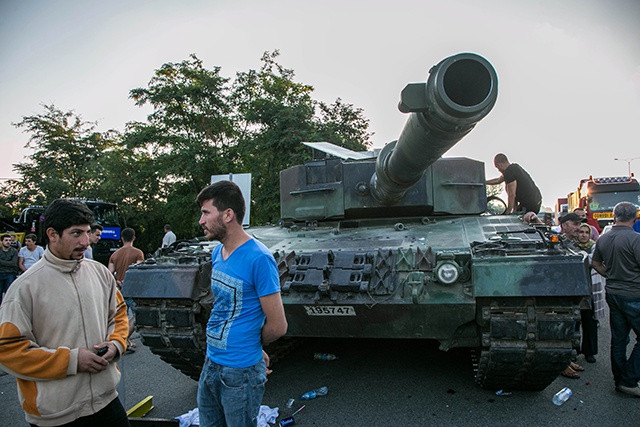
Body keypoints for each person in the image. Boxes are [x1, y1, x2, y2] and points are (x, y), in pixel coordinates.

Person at [0, 199, 130, 426]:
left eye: (87, 233)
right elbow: (7, 350)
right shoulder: (24, 288)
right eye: (76, 233)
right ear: (52, 234)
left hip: (107, 403)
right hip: (56, 415)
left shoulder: (100, 273)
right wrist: (71, 360)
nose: (84, 242)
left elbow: (118, 314)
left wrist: (116, 344)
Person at [196, 180, 288, 427]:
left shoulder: (259, 258)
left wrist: (252, 349)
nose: (201, 221)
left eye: (206, 213)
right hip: (211, 363)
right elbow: (226, 306)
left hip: (241, 373)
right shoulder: (218, 252)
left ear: (228, 215)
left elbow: (278, 325)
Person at [592, 201, 640, 397]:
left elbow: (595, 262)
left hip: (613, 293)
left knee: (619, 339)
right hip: (635, 294)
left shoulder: (603, 239)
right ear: (635, 217)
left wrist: (610, 275)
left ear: (614, 216)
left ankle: (619, 380)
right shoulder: (636, 239)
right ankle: (629, 380)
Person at [108, 227, 144, 353]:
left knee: (119, 317)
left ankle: (121, 340)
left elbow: (109, 273)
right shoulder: (138, 253)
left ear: (122, 238)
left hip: (118, 290)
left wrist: (117, 282)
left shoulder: (114, 255)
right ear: (134, 238)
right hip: (132, 289)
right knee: (138, 316)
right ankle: (124, 339)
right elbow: (137, 271)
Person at [575, 223, 604, 363]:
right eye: (581, 232)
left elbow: (591, 261)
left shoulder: (595, 247)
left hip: (590, 290)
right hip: (575, 291)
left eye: (587, 232)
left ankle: (589, 352)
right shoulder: (571, 246)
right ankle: (573, 350)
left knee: (590, 323)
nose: (584, 235)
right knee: (574, 323)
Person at [0, 234, 19, 304]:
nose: (8, 242)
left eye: (10, 240)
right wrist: (8, 263)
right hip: (0, 272)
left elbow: (13, 263)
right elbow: (10, 263)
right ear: (1, 241)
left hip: (10, 273)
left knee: (9, 293)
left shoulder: (14, 251)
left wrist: (1, 262)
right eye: (6, 240)